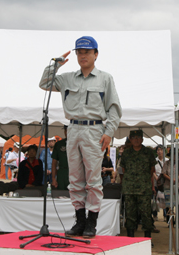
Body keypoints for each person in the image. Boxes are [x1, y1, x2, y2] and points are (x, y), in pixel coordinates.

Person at [39, 36, 122, 238]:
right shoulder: (67, 77)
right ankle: (80, 221)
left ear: (96, 54)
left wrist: (108, 133)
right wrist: (55, 65)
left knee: (93, 179)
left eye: (87, 51)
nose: (83, 55)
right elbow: (44, 83)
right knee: (75, 178)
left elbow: (114, 108)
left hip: (95, 130)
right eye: (79, 52)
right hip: (73, 128)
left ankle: (92, 223)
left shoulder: (105, 78)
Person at [120, 130, 156, 243]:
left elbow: (152, 169)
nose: (136, 139)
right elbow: (124, 169)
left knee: (146, 213)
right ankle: (130, 238)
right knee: (130, 213)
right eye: (133, 137)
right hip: (129, 188)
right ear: (130, 139)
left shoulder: (148, 152)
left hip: (144, 188)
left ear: (142, 139)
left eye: (138, 137)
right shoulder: (125, 153)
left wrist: (143, 179)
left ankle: (147, 239)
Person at [153, 145, 168, 222]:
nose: (159, 151)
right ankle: (155, 215)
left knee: (165, 199)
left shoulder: (167, 160)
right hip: (156, 182)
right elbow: (152, 171)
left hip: (165, 182)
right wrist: (156, 178)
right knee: (156, 199)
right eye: (158, 150)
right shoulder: (154, 160)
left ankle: (165, 215)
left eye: (161, 150)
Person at [52, 125, 69, 190]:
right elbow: (54, 162)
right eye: (65, 130)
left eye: (68, 130)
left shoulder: (78, 143)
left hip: (74, 172)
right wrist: (53, 178)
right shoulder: (59, 144)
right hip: (62, 172)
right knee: (61, 194)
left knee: (74, 195)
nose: (67, 133)